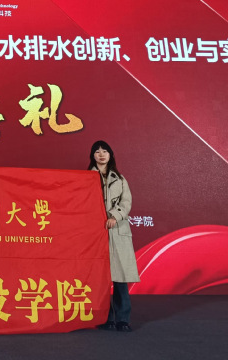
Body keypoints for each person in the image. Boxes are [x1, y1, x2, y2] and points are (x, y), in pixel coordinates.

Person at [88, 140, 139, 332]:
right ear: (92, 156)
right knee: (99, 279)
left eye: (105, 151)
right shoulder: (86, 178)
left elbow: (126, 202)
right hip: (96, 232)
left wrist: (115, 216)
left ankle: (123, 319)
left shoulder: (120, 178)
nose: (101, 154)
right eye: (97, 151)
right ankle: (105, 318)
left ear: (110, 155)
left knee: (120, 278)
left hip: (117, 230)